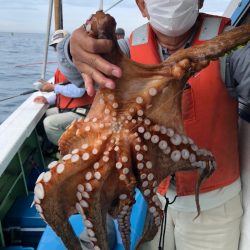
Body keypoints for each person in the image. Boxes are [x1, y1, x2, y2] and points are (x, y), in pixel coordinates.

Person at [56, 0, 250, 249]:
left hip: (213, 205)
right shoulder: (128, 49)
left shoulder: (231, 48)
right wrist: (72, 50)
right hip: (156, 199)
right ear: (142, 6)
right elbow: (79, 73)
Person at [34, 29, 94, 146]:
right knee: (45, 115)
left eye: (61, 45)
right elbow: (61, 90)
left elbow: (79, 91)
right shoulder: (63, 67)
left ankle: (71, 152)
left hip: (85, 112)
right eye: (56, 47)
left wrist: (53, 87)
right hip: (71, 109)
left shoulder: (80, 64)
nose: (58, 49)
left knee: (49, 123)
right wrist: (48, 99)